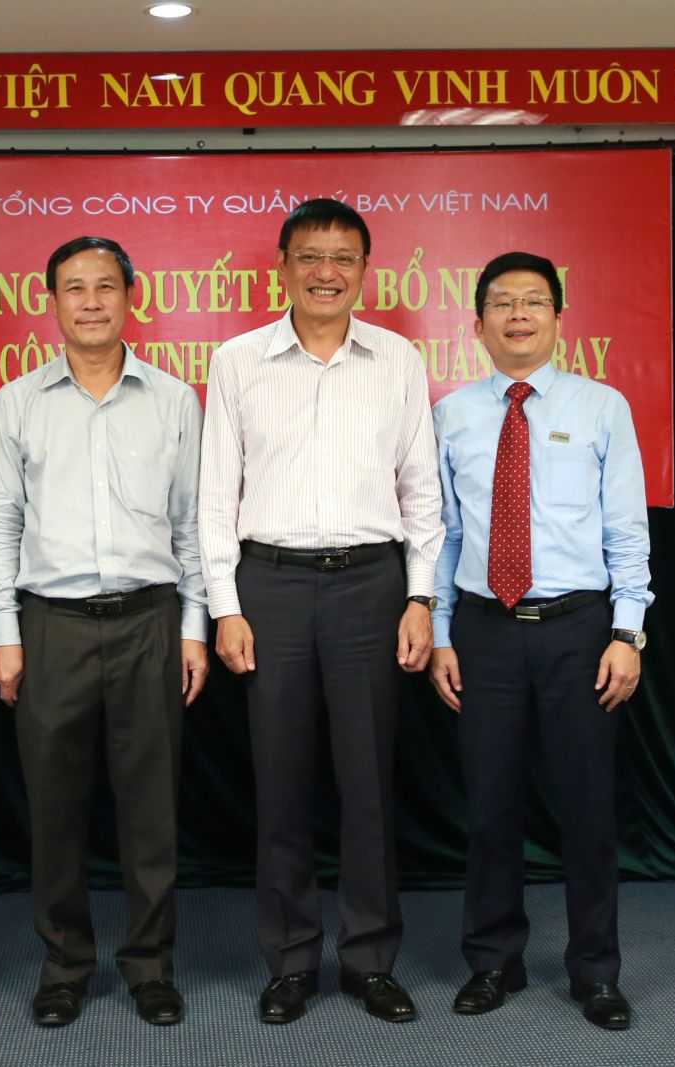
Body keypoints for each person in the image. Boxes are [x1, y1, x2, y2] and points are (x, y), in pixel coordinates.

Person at [199, 199, 444, 1025]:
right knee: (281, 781)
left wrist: (420, 596)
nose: (326, 272)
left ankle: (370, 957)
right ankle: (291, 959)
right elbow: (214, 497)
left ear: (365, 271)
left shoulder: (398, 359)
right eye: (310, 255)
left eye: (343, 257)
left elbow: (421, 491)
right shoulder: (238, 361)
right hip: (268, 586)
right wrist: (226, 607)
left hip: (370, 587)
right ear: (283, 266)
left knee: (368, 782)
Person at [0, 236, 209, 1029]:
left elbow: (192, 523)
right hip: (52, 626)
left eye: (105, 286)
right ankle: (64, 966)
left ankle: (150, 966)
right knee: (54, 807)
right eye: (74, 287)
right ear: (52, 302)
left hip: (150, 620)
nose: (90, 301)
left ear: (129, 297)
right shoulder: (17, 402)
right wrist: (5, 633)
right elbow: (1, 523)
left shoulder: (174, 400)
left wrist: (193, 626)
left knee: (151, 807)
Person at [428, 251, 652, 1032]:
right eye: (502, 302)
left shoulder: (602, 407)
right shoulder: (452, 414)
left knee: (586, 809)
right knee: (490, 806)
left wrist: (628, 633)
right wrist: (441, 633)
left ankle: (596, 971)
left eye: (533, 301)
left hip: (579, 631)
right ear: (478, 323)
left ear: (558, 317)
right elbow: (445, 535)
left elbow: (627, 531)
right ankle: (494, 960)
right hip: (484, 631)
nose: (517, 315)